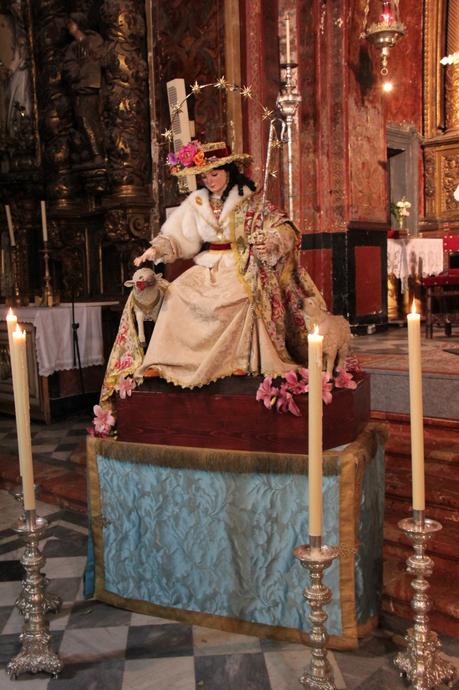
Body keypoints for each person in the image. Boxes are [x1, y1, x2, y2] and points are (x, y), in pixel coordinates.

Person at [133, 140, 326, 388]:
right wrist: (155, 249)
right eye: (205, 176)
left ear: (228, 171)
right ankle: (166, 361)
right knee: (177, 292)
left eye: (215, 174)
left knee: (242, 296)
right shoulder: (198, 203)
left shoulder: (251, 200)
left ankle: (241, 359)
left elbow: (284, 227)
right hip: (209, 266)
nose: (210, 181)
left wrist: (271, 240)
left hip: (241, 264)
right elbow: (178, 234)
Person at [63, 13, 104, 162]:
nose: (68, 26)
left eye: (71, 23)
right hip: (80, 88)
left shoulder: (94, 40)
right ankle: (96, 153)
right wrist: (79, 71)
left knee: (89, 120)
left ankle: (98, 154)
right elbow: (69, 68)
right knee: (83, 120)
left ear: (78, 23)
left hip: (93, 85)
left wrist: (85, 67)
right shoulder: (72, 48)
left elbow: (98, 60)